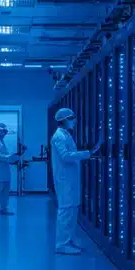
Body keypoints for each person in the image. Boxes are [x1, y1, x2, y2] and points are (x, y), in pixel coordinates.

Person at [50, 107, 102, 255]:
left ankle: (69, 240)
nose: (75, 121)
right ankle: (61, 244)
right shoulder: (58, 136)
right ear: (63, 120)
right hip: (64, 180)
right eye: (71, 118)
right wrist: (88, 153)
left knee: (72, 210)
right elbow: (65, 156)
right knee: (66, 211)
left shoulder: (66, 134)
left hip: (70, 179)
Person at [0, 123, 21, 215]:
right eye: (2, 131)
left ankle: (4, 208)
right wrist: (8, 157)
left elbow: (3, 155)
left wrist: (11, 159)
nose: (4, 133)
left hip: (5, 169)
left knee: (6, 190)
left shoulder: (1, 140)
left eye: (5, 131)